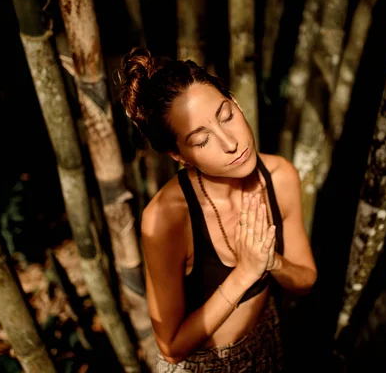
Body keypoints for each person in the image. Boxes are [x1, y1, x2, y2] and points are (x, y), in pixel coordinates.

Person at [119, 47, 317, 372]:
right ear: (179, 155)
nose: (230, 142)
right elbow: (171, 348)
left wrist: (272, 262)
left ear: (236, 103)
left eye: (226, 116)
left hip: (268, 346)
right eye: (201, 140)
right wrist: (245, 273)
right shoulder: (167, 217)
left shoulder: (280, 176)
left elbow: (306, 279)